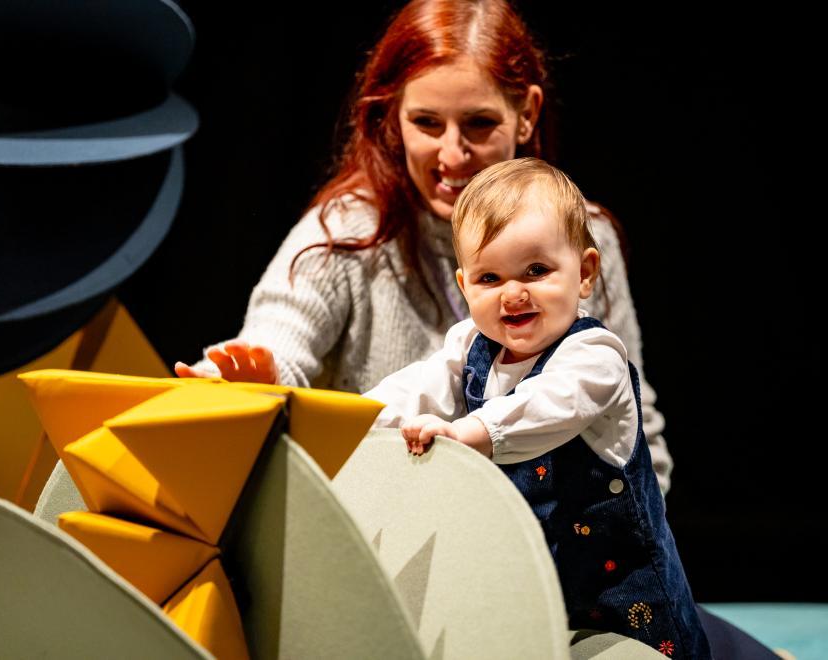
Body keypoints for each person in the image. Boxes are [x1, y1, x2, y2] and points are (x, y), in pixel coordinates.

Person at [174, 0, 675, 495]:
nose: (453, 154)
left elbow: (635, 425)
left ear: (527, 114)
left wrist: (637, 551)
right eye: (427, 123)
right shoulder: (347, 230)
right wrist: (252, 374)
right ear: (395, 119)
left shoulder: (585, 234)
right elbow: (282, 336)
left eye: (479, 123)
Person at [365, 157, 711, 657]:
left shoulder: (595, 357)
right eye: (489, 278)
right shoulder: (469, 347)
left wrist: (471, 432)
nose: (513, 293)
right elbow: (410, 391)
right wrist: (344, 417)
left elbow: (549, 407)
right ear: (465, 287)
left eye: (536, 270)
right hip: (535, 591)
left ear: (585, 272)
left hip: (630, 605)